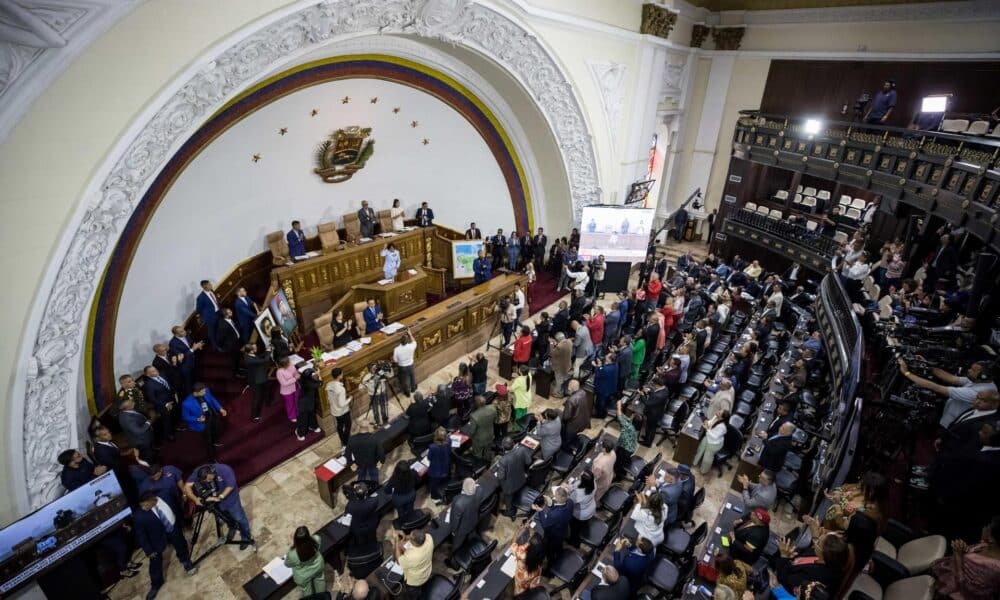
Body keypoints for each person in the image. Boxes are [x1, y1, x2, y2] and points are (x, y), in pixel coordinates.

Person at [134, 491, 197, 599]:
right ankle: (156, 583)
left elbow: (176, 506)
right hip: (157, 539)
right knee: (155, 561)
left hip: (173, 529)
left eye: (145, 505)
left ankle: (186, 561)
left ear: (153, 499)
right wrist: (148, 551)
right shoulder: (139, 516)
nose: (143, 508)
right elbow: (141, 535)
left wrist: (182, 521)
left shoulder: (166, 495)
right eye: (141, 505)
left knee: (181, 545)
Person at [183, 463, 253, 549]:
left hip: (230, 498)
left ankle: (246, 537)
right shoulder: (199, 471)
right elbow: (187, 486)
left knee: (239, 517)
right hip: (215, 501)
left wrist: (219, 497)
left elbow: (230, 486)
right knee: (225, 516)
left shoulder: (225, 469)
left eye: (209, 480)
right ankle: (232, 526)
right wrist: (195, 499)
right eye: (205, 481)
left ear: (212, 473)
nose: (207, 482)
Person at [931, 516, 1000, 599]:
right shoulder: (989, 546)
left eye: (988, 526)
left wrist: (958, 555)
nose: (985, 528)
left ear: (992, 538)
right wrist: (966, 550)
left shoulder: (993, 569)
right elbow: (975, 554)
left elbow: (965, 586)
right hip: (949, 572)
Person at [774, 531, 849, 594]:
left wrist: (784, 556)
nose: (815, 542)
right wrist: (791, 557)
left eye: (818, 542)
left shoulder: (816, 576)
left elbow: (784, 579)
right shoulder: (822, 558)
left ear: (824, 553)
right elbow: (802, 555)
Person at [821, 471, 888, 532]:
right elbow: (845, 487)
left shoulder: (874, 511)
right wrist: (837, 492)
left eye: (868, 490)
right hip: (828, 524)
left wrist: (841, 501)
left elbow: (856, 514)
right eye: (864, 487)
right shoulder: (862, 489)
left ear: (878, 492)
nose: (864, 490)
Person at [532, 486, 575, 564]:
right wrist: (551, 504)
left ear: (556, 498)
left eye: (554, 495)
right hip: (563, 529)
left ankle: (551, 562)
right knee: (559, 546)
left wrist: (540, 511)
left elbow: (545, 525)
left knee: (550, 550)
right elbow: (559, 508)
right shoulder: (570, 502)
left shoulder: (553, 515)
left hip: (554, 536)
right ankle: (559, 552)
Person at [284, 526, 325, 598]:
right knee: (320, 580)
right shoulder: (317, 539)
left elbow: (287, 564)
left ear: (295, 539)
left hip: (303, 576)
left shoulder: (292, 554)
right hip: (318, 566)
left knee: (306, 590)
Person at [496, 436, 532, 517]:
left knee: (507, 497)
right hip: (522, 480)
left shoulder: (503, 461)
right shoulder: (522, 449)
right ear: (514, 444)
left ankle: (509, 511)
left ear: (503, 448)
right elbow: (528, 461)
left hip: (510, 488)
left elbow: (500, 477)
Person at [394, 528, 433, 598]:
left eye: (410, 538)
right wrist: (405, 537)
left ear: (414, 543)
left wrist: (397, 542)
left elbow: (399, 560)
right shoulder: (429, 538)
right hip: (427, 572)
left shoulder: (411, 557)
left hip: (415, 582)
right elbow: (415, 538)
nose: (409, 538)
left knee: (412, 595)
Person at [344, 481, 380, 556]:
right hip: (371, 525)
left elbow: (346, 519)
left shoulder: (350, 505)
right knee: (372, 536)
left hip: (358, 529)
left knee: (360, 541)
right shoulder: (373, 501)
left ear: (355, 494)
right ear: (366, 493)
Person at [512, 520, 546, 595]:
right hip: (535, 573)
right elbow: (535, 541)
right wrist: (529, 528)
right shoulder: (541, 550)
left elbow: (513, 542)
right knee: (530, 586)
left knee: (519, 590)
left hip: (523, 576)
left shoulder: (522, 553)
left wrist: (519, 530)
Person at [118, 395, 154, 462]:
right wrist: (148, 423)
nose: (133, 402)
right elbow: (139, 431)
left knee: (148, 452)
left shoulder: (124, 412)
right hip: (142, 441)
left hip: (138, 438)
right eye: (131, 402)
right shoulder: (128, 420)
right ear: (128, 407)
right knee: (148, 456)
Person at [448, 478, 482, 551]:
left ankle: (454, 557)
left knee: (457, 545)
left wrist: (453, 531)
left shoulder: (458, 502)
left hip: (461, 529)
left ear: (463, 487)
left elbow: (455, 520)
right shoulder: (480, 490)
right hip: (474, 521)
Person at [694, 409, 729, 475]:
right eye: (719, 411)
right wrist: (707, 423)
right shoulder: (716, 417)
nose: (717, 412)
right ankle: (695, 462)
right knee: (700, 449)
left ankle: (703, 471)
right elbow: (710, 422)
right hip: (708, 437)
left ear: (722, 418)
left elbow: (714, 437)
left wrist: (707, 429)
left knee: (707, 459)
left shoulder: (722, 427)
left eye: (719, 413)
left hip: (714, 443)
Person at [243, 344, 270, 423]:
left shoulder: (250, 355)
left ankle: (267, 402)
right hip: (255, 381)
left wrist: (266, 352)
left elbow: (259, 357)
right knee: (256, 398)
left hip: (259, 377)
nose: (256, 348)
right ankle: (254, 416)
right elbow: (265, 360)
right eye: (254, 348)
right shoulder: (249, 360)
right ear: (251, 351)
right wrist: (268, 352)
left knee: (264, 391)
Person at [568, 471, 597, 543]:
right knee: (583, 524)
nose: (580, 473)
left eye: (581, 475)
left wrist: (566, 490)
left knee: (575, 529)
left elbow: (570, 502)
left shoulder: (577, 493)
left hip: (580, 514)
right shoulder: (594, 484)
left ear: (583, 481)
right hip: (591, 508)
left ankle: (573, 542)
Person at [614, 399, 642, 476]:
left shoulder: (629, 427)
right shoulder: (635, 425)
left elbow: (620, 417)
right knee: (622, 460)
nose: (632, 415)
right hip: (631, 448)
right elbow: (625, 418)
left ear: (633, 421)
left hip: (625, 449)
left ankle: (619, 476)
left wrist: (619, 406)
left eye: (633, 416)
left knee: (618, 464)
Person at [561, 378, 591, 448]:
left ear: (570, 388)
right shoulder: (583, 392)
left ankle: (567, 448)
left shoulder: (571, 400)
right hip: (583, 420)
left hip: (573, 425)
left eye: (569, 386)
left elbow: (566, 416)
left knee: (567, 440)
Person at [639, 377, 669, 447]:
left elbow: (648, 403)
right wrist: (649, 391)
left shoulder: (658, 396)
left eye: (653, 385)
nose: (653, 386)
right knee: (649, 427)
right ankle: (646, 437)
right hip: (658, 410)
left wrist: (642, 395)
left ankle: (648, 443)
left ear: (657, 384)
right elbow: (655, 392)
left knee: (651, 428)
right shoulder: (665, 388)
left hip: (653, 414)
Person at [295, 368, 322, 441]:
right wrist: (318, 374)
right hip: (306, 404)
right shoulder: (311, 384)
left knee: (307, 417)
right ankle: (302, 432)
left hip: (304, 402)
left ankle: (307, 430)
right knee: (306, 418)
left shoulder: (302, 380)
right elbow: (320, 383)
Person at [326, 367, 351, 447]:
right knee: (348, 425)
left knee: (340, 425)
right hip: (343, 411)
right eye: (342, 373)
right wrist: (350, 399)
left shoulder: (329, 384)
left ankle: (342, 440)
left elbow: (328, 398)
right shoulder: (341, 389)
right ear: (339, 375)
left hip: (334, 410)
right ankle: (345, 442)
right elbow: (342, 404)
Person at [467, 395, 497, 461]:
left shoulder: (474, 416)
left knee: (477, 453)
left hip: (479, 439)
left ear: (476, 404)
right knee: (488, 450)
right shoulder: (492, 408)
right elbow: (495, 419)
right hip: (490, 434)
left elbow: (472, 431)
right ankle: (487, 462)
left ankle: (479, 464)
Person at [195, 280, 221, 349]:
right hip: (210, 317)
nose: (211, 285)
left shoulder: (212, 291)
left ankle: (220, 341)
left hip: (218, 313)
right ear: (204, 286)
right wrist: (204, 317)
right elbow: (199, 309)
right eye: (209, 285)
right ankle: (215, 346)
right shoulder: (200, 297)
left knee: (219, 328)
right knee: (212, 332)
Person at [427, 428, 451, 503]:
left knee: (434, 486)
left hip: (435, 472)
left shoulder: (432, 447)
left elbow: (429, 458)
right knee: (443, 482)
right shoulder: (449, 442)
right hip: (446, 468)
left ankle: (435, 498)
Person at [276, 356, 301, 423]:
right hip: (287, 391)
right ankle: (292, 416)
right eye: (289, 361)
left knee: (297, 400)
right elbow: (284, 383)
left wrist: (297, 374)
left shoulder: (291, 365)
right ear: (285, 364)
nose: (291, 362)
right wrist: (295, 379)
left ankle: (298, 412)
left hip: (295, 387)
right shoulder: (279, 372)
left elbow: (295, 372)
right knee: (290, 404)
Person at [593, 353, 618, 419]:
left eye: (607, 356)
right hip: (610, 387)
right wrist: (601, 366)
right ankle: (603, 412)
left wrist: (597, 366)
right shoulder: (615, 364)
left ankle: (600, 415)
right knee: (605, 401)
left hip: (603, 389)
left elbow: (598, 374)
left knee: (601, 403)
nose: (605, 356)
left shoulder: (607, 369)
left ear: (610, 359)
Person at [393, 330, 417, 396]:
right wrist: (410, 334)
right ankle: (413, 389)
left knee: (405, 380)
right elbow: (414, 341)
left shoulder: (396, 349)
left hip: (402, 366)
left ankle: (407, 392)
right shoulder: (411, 346)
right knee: (412, 377)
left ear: (400, 341)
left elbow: (395, 360)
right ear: (407, 341)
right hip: (410, 365)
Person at [550, 332, 573, 398]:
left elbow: (552, 353)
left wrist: (551, 343)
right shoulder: (569, 342)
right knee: (564, 378)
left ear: (557, 340)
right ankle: (564, 389)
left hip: (559, 367)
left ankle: (559, 393)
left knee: (559, 380)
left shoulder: (559, 347)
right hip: (567, 365)